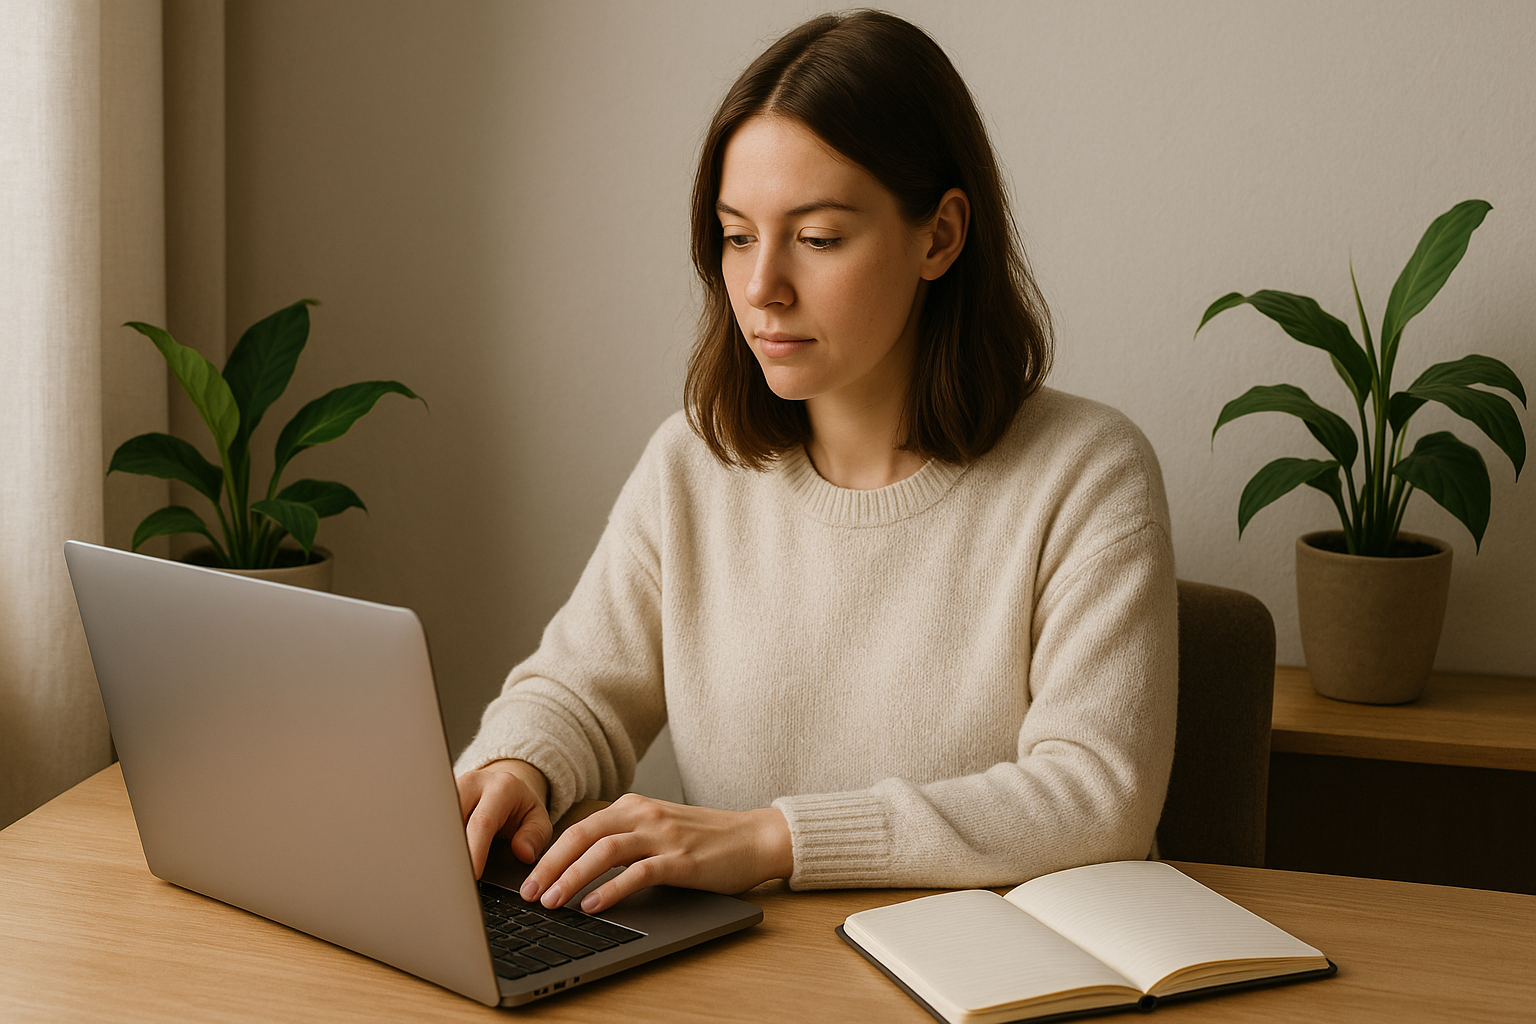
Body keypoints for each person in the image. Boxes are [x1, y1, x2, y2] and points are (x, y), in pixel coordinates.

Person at [454, 10, 1177, 917]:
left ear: (940, 237)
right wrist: (517, 761)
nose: (761, 289)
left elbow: (1095, 799)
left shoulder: (1088, 473)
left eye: (819, 237)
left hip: (1013, 985)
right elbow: (580, 688)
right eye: (737, 235)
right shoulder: (693, 463)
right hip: (762, 980)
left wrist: (770, 839)